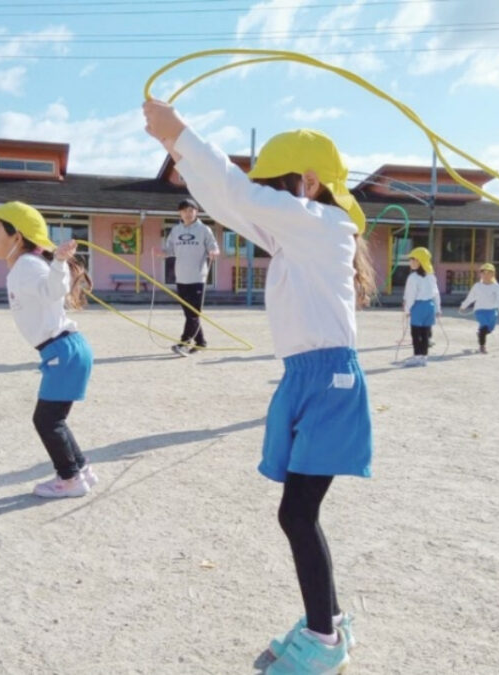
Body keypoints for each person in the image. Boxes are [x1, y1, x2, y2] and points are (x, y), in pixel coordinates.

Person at [144, 100, 374, 674]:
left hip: (329, 380)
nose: (266, 196)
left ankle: (325, 639)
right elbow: (229, 203)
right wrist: (179, 150)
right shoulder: (301, 231)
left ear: (310, 183)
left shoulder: (324, 225)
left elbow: (240, 198)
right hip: (308, 377)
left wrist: (185, 135)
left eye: (277, 186)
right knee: (297, 513)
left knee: (297, 514)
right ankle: (329, 621)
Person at [0, 201, 98, 499]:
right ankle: (81, 469)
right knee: (53, 419)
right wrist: (57, 264)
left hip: (64, 351)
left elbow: (52, 289)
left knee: (47, 420)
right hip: (65, 350)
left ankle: (70, 479)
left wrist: (60, 262)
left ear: (17, 237)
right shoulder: (26, 265)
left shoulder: (26, 265)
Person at [158, 198, 220, 355]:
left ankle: (184, 342)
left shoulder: (204, 230)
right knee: (189, 313)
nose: (188, 213)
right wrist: (161, 253)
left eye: (191, 210)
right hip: (181, 278)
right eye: (184, 210)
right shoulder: (176, 230)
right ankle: (201, 342)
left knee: (193, 313)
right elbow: (169, 250)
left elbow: (214, 247)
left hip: (198, 278)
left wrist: (214, 252)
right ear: (180, 213)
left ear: (196, 212)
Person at [401, 247, 441, 367]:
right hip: (430, 306)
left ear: (420, 261)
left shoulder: (413, 278)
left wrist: (407, 309)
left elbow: (410, 295)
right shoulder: (431, 276)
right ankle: (424, 357)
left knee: (416, 333)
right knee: (425, 333)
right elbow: (436, 294)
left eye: (413, 259)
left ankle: (417, 356)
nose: (411, 262)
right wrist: (438, 309)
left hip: (418, 306)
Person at [459, 262, 499, 354]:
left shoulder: (497, 287)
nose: (486, 275)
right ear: (480, 274)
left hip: (492, 311)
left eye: (489, 272)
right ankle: (482, 346)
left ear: (493, 274)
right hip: (480, 310)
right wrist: (463, 306)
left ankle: (480, 334)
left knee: (489, 329)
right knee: (484, 326)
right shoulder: (477, 286)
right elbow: (471, 297)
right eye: (483, 272)